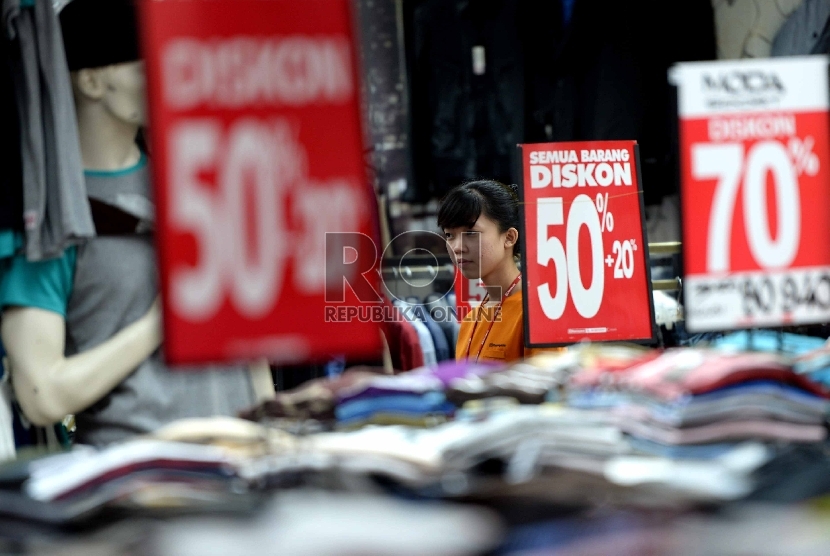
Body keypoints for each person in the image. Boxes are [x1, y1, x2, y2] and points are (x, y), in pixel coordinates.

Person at [0, 0, 271, 447]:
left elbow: (247, 342)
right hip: (139, 483)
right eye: (146, 67)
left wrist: (269, 427)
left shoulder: (196, 181)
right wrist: (159, 326)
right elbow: (41, 394)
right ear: (91, 81)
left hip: (242, 463)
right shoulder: (53, 218)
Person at [438, 179, 563, 363]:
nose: (457, 247)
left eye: (471, 233)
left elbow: (549, 385)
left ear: (509, 237)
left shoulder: (536, 314)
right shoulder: (471, 319)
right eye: (449, 235)